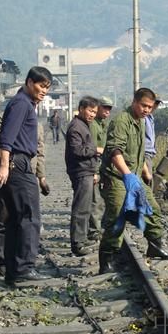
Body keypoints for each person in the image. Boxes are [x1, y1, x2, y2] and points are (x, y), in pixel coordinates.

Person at [98, 88, 168, 274]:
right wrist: (127, 175)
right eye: (143, 105)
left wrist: (146, 172)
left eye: (150, 107)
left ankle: (155, 246)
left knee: (153, 209)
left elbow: (139, 152)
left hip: (134, 175)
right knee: (117, 217)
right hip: (117, 177)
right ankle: (107, 259)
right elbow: (115, 151)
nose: (147, 109)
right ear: (134, 102)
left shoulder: (141, 121)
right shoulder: (121, 121)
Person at [0, 113, 50, 277]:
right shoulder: (4, 118)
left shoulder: (37, 124)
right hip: (7, 174)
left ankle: (17, 262)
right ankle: (1, 263)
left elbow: (40, 152)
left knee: (25, 220)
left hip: (27, 175)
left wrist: (41, 176)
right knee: (5, 217)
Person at [0, 66, 53, 283]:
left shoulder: (23, 103)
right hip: (18, 164)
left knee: (14, 219)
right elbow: (7, 137)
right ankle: (24, 268)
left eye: (47, 87)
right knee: (29, 217)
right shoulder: (21, 104)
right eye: (41, 85)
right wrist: (4, 165)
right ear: (29, 82)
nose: (44, 90)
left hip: (15, 163)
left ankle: (13, 270)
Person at [65, 96, 104, 256]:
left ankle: (82, 237)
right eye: (90, 110)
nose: (92, 114)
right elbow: (77, 150)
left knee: (86, 207)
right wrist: (96, 150)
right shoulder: (76, 127)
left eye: (94, 112)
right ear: (81, 109)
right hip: (80, 171)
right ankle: (77, 243)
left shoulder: (83, 125)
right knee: (81, 208)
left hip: (86, 170)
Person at [88, 96, 114, 241]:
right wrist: (95, 172)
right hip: (95, 166)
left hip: (102, 165)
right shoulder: (93, 125)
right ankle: (94, 231)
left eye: (109, 109)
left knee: (100, 199)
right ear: (98, 108)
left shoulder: (102, 124)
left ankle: (97, 227)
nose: (107, 111)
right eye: (105, 108)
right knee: (95, 200)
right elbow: (91, 150)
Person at [144, 96, 162, 181]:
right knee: (147, 180)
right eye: (155, 103)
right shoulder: (143, 118)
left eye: (157, 104)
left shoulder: (150, 118)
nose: (155, 106)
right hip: (145, 153)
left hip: (150, 153)